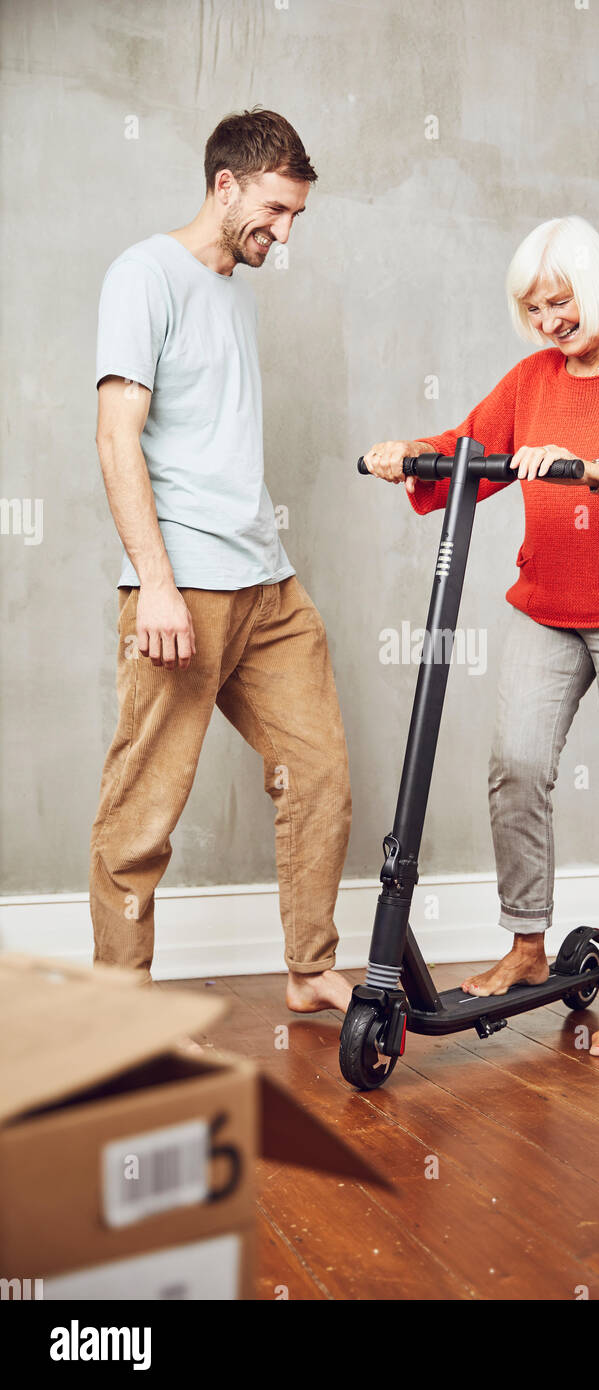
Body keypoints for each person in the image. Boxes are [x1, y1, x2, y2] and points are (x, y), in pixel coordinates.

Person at [362, 215, 599, 1057]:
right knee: (516, 767)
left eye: (560, 303)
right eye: (533, 310)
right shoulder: (534, 379)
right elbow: (467, 446)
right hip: (549, 603)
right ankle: (528, 946)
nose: (549, 324)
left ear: (595, 288)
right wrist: (409, 453)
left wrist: (588, 468)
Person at [90, 108, 352, 1014]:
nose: (282, 233)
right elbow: (117, 435)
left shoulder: (234, 284)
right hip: (184, 588)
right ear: (225, 184)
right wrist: (154, 584)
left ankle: (309, 967)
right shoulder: (144, 274)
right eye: (275, 211)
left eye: (294, 218)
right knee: (143, 809)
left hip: (264, 579)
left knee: (317, 770)